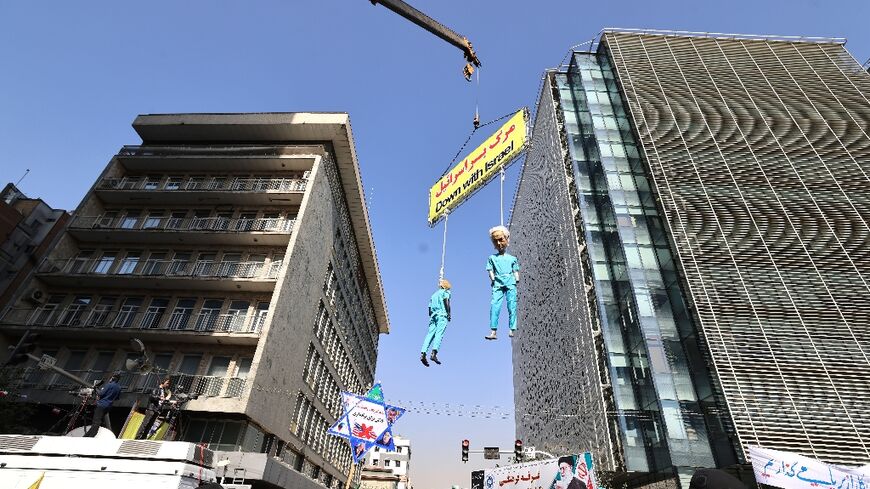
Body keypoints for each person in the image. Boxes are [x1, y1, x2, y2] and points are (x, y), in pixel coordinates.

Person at [484, 225, 520, 340]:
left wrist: (516, 278)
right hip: (498, 283)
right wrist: (493, 280)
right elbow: (490, 270)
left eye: (501, 240)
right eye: (496, 241)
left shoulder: (512, 258)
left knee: (512, 304)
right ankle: (493, 331)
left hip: (510, 282)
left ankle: (512, 328)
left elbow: (515, 271)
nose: (499, 243)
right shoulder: (492, 258)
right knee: (495, 305)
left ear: (506, 239)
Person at [420, 278, 451, 366]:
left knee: (429, 335)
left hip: (433, 316)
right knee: (439, 334)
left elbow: (429, 310)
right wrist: (448, 314)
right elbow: (446, 301)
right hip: (442, 315)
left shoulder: (433, 295)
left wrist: (433, 315)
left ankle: (423, 353)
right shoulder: (446, 292)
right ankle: (434, 353)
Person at [84, 372, 122, 437]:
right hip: (108, 407)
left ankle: (91, 435)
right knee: (98, 420)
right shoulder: (119, 387)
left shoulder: (109, 385)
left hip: (101, 405)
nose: (109, 379)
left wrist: (95, 388)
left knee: (96, 421)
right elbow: (117, 398)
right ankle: (88, 435)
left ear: (112, 378)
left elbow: (101, 394)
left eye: (110, 377)